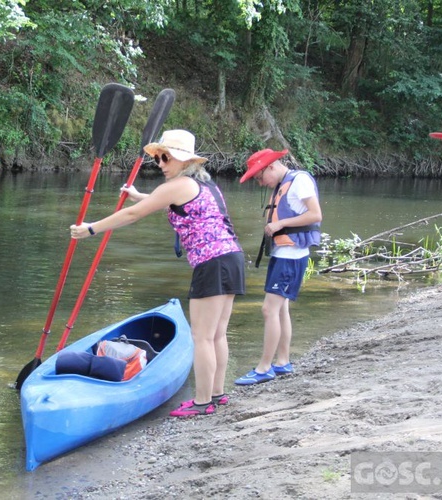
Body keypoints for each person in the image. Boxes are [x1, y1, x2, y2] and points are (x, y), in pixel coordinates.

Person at [70, 129, 245, 417]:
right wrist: (139, 195)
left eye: (165, 157)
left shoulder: (179, 185)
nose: (160, 163)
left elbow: (133, 215)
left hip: (212, 263)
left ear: (182, 160)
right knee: (216, 335)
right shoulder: (206, 184)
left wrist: (91, 228)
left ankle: (202, 403)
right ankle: (217, 394)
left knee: (202, 337)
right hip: (231, 259)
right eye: (158, 158)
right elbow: (159, 201)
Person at [235, 149, 322, 385]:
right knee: (281, 309)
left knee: (268, 310)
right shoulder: (284, 183)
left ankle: (264, 368)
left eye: (259, 177)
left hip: (291, 255)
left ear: (271, 166)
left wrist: (280, 223)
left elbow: (315, 214)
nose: (261, 183)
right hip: (285, 253)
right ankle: (282, 362)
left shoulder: (299, 181)